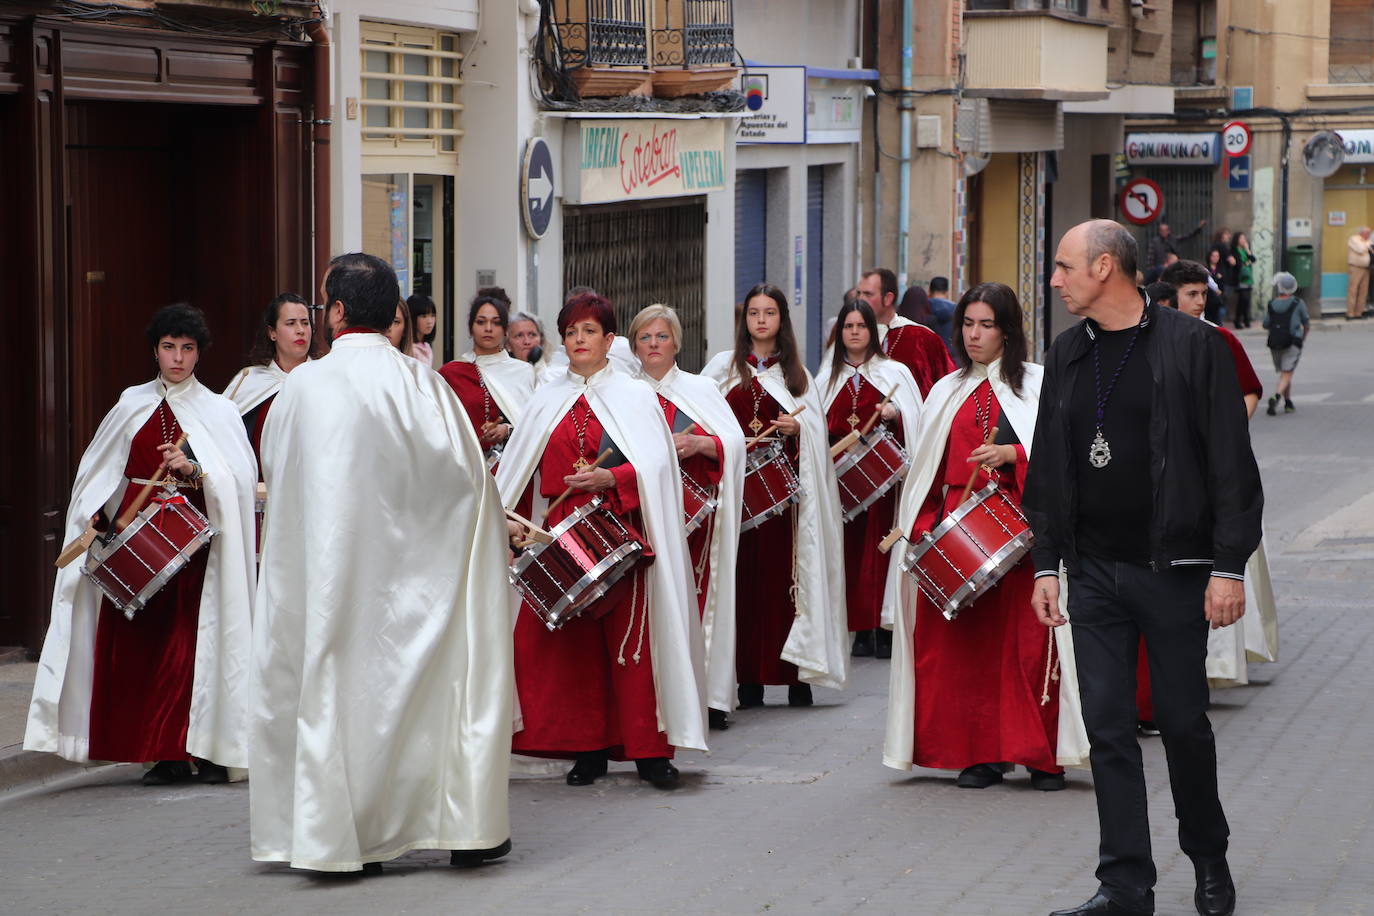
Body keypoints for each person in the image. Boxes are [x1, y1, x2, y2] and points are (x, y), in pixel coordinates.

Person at [250, 253, 515, 873]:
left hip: (333, 579)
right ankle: (465, 824)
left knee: (338, 696)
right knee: (436, 695)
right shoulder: (426, 386)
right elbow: (469, 484)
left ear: (337, 312)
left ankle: (337, 838)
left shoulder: (303, 388)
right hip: (420, 584)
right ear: (393, 313)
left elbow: (276, 474)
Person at [1028, 220, 1262, 916]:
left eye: (1066, 265)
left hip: (1175, 569)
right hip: (1095, 571)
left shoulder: (1194, 347)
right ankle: (1126, 884)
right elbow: (1048, 466)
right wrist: (1046, 565)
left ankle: (1209, 855)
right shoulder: (1067, 354)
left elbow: (1230, 463)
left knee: (1184, 722)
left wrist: (1229, 567)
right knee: (1105, 726)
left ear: (1104, 267)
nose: (1055, 278)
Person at [26, 304, 257, 786]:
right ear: (155, 350)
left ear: (199, 354)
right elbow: (99, 474)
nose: (178, 358)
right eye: (169, 347)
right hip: (136, 547)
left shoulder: (219, 411)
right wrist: (98, 519)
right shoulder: (130, 403)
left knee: (195, 652)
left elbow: (237, 480)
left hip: (194, 554)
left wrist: (195, 471)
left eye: (187, 349)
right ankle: (165, 752)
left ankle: (207, 749)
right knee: (147, 654)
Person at [496, 293, 705, 789]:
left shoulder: (634, 396)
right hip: (562, 532)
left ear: (610, 340)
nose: (579, 341)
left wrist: (614, 481)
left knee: (631, 646)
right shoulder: (545, 396)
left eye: (589, 331)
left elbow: (659, 466)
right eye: (571, 333)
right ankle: (586, 749)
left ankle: (650, 752)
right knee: (573, 648)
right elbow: (520, 469)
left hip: (623, 527)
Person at [880, 282, 1081, 792]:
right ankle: (979, 755)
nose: (974, 334)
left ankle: (1040, 755)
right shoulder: (946, 391)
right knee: (965, 654)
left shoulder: (1038, 385)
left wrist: (1014, 457)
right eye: (967, 324)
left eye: (986, 324)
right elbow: (925, 472)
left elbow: (1066, 463)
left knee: (1031, 646)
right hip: (958, 541)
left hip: (1023, 539)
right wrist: (925, 528)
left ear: (1008, 331)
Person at [702, 284, 848, 709]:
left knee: (787, 587)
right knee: (743, 585)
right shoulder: (721, 370)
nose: (761, 320)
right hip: (738, 500)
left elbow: (818, 439)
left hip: (785, 507)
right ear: (743, 319)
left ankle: (794, 674)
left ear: (782, 319)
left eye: (769, 312)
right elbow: (702, 425)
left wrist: (799, 430)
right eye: (753, 312)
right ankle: (747, 678)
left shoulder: (798, 377)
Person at [630, 303, 746, 731]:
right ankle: (657, 692)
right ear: (633, 345)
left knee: (698, 605)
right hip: (643, 520)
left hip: (697, 525)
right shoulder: (625, 392)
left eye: (661, 336)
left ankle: (708, 695)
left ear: (677, 341)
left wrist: (700, 445)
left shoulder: (701, 390)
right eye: (645, 337)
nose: (654, 344)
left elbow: (734, 445)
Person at [816, 299, 923, 659]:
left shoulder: (894, 372)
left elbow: (916, 419)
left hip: (884, 484)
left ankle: (884, 625)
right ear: (840, 332)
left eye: (861, 326)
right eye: (849, 327)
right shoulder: (827, 377)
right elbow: (817, 425)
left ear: (872, 332)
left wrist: (895, 413)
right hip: (840, 484)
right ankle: (859, 629)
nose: (855, 332)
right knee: (849, 555)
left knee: (881, 553)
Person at [438, 294, 537, 468]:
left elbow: (534, 425)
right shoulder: (451, 373)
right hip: (464, 467)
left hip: (511, 468)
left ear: (506, 330)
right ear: (470, 329)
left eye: (496, 322)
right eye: (481, 322)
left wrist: (506, 429)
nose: (489, 328)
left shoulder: (522, 372)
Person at [224, 293, 317, 463]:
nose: (300, 330)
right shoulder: (249, 379)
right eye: (291, 323)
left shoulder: (324, 379)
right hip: (261, 485)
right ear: (272, 332)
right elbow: (222, 436)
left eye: (305, 323)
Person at [856, 267, 956, 397]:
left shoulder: (922, 338)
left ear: (888, 298)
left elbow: (947, 388)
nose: (860, 300)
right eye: (858, 294)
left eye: (868, 294)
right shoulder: (847, 335)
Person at [1263, 270, 1311, 416]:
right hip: (1293, 341)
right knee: (1287, 373)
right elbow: (1306, 323)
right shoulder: (1298, 303)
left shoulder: (1272, 304)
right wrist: (1303, 337)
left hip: (1275, 343)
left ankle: (1288, 402)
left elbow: (1266, 324)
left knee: (1285, 372)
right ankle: (1277, 396)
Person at [927, 276, 958, 353]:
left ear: (929, 291)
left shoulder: (923, 307)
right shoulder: (956, 309)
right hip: (949, 355)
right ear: (947, 292)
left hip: (927, 355)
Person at [1231, 232, 1255, 329]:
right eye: (1241, 238)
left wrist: (1247, 250)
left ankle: (1246, 320)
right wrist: (1246, 262)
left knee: (1246, 300)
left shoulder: (1245, 250)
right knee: (1243, 299)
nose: (1243, 240)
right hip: (1240, 278)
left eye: (1244, 238)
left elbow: (1253, 259)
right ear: (1237, 239)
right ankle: (1237, 320)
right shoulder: (1234, 250)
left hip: (1248, 277)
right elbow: (1237, 263)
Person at [407, 293, 437, 366]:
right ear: (412, 318)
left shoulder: (426, 346)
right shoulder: (409, 350)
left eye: (432, 316)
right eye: (424, 316)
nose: (430, 321)